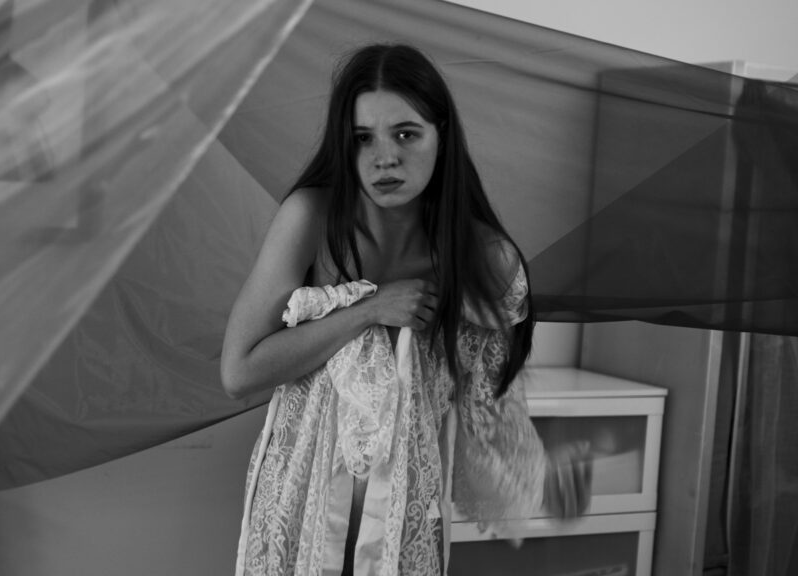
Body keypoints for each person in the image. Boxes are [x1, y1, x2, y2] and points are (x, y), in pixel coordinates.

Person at [221, 43, 590, 576]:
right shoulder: (311, 219)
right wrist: (370, 310)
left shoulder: (482, 255)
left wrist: (543, 477)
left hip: (401, 527)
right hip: (298, 518)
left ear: (442, 136)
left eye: (405, 134)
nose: (384, 158)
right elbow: (239, 372)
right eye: (362, 138)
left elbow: (485, 410)